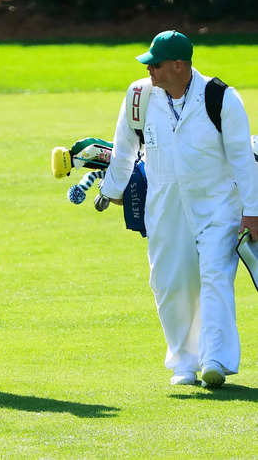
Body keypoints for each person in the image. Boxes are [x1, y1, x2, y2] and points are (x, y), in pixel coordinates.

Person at [99, 30, 258, 388]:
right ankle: (184, 363)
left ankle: (216, 359)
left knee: (215, 276)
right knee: (170, 283)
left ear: (179, 65)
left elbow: (242, 159)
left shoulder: (222, 98)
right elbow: (123, 149)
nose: (150, 69)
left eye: (156, 64)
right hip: (165, 206)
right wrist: (110, 192)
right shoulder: (139, 95)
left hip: (218, 204)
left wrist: (253, 211)